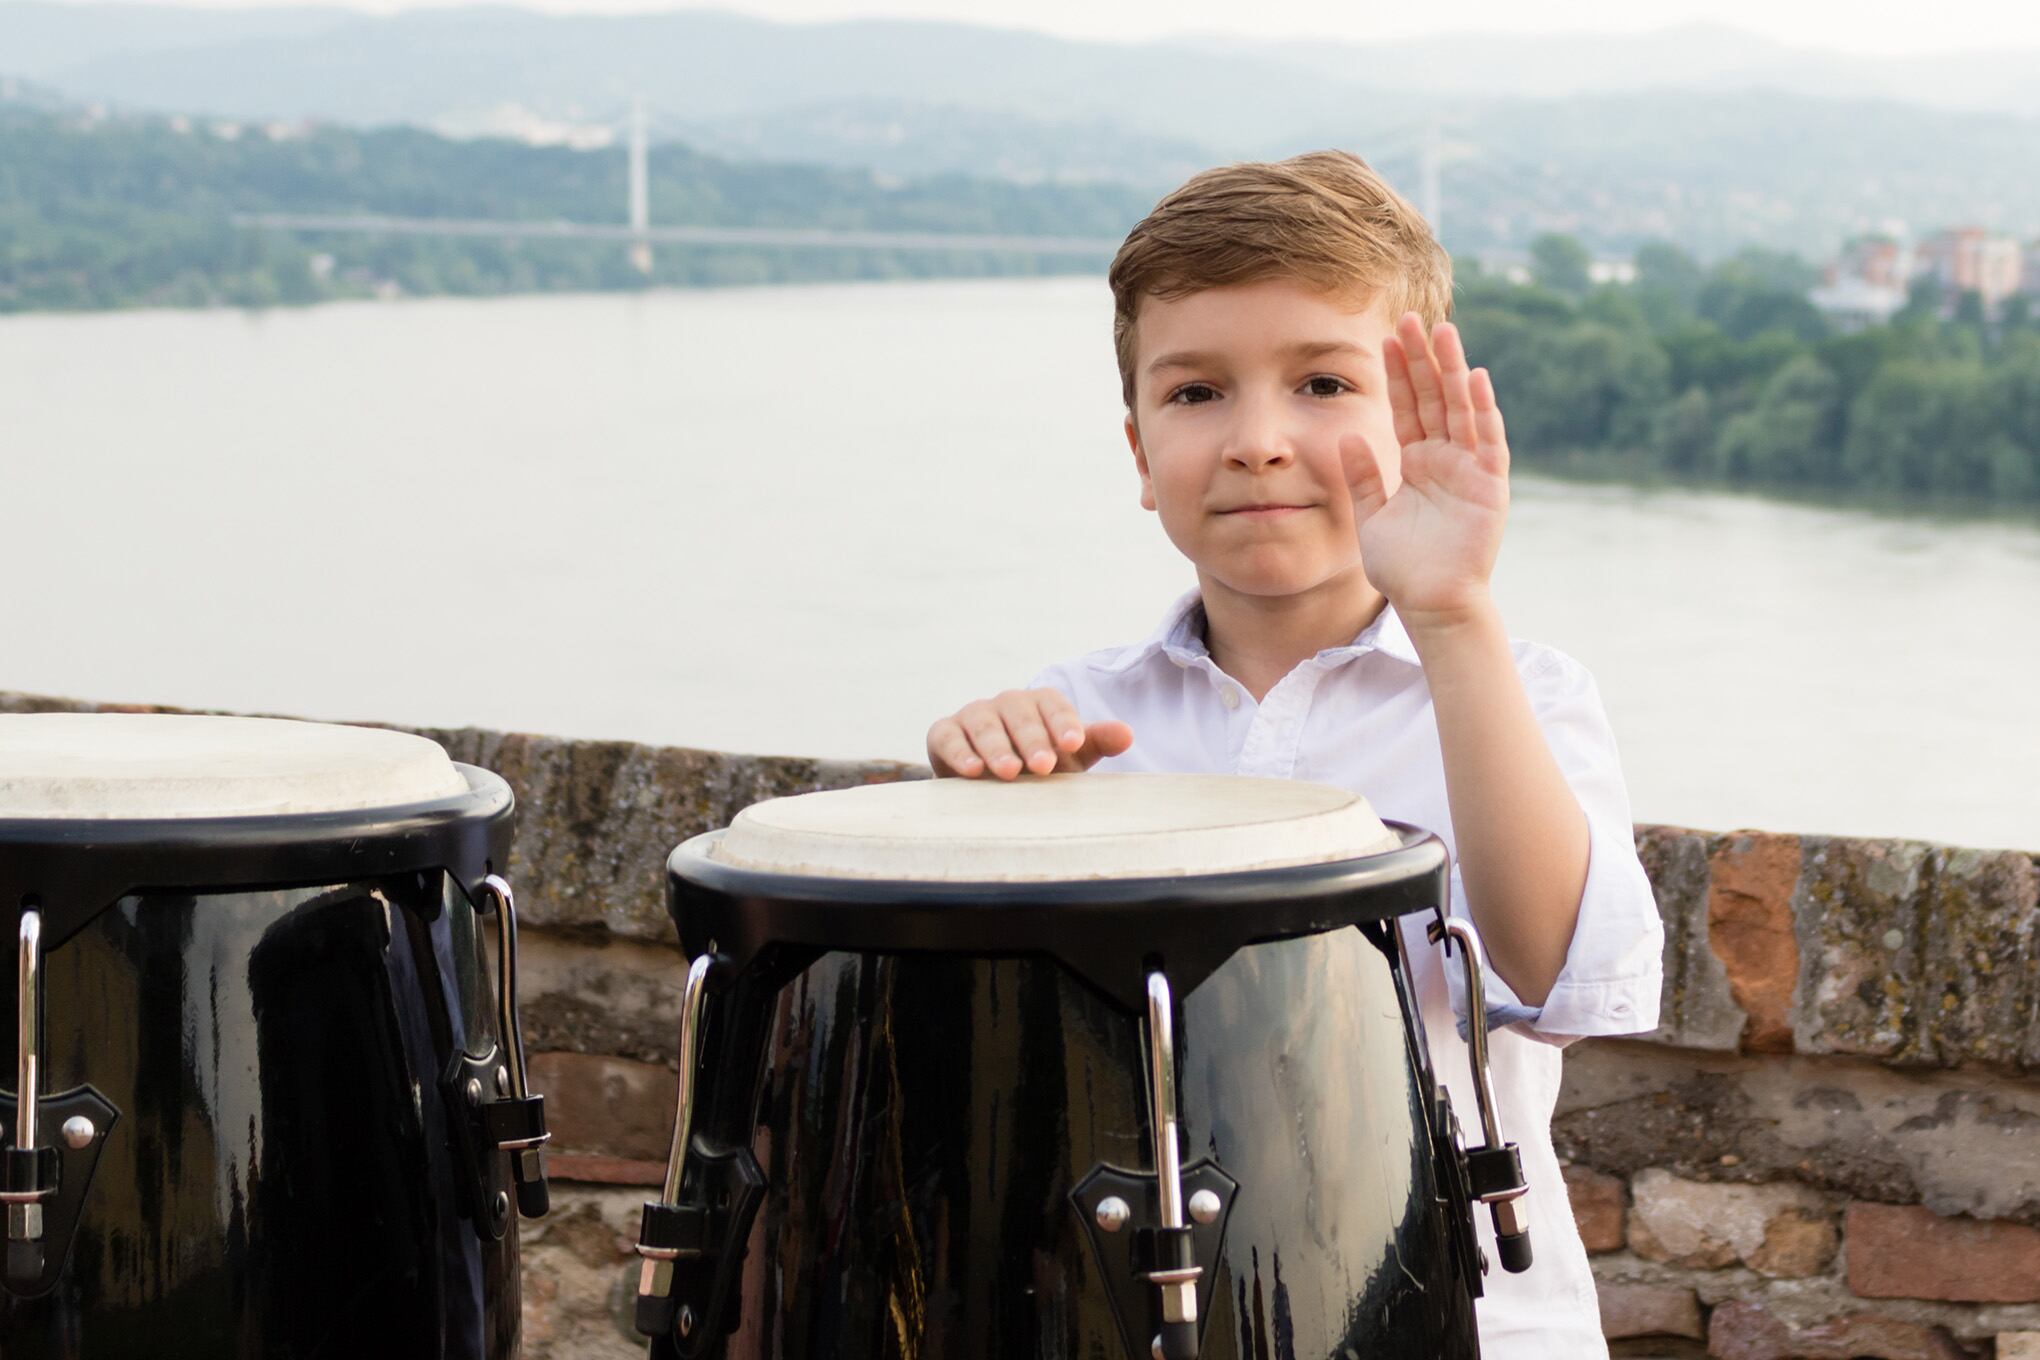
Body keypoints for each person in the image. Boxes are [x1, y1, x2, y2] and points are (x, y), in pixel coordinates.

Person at [923, 150, 1663, 1358]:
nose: (1258, 440)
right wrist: (976, 811)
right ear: (1137, 453)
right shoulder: (1072, 720)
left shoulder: (1515, 692)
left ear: (1412, 418)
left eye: (1323, 383)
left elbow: (1563, 981)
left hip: (1469, 1322)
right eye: (1196, 393)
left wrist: (1452, 612)